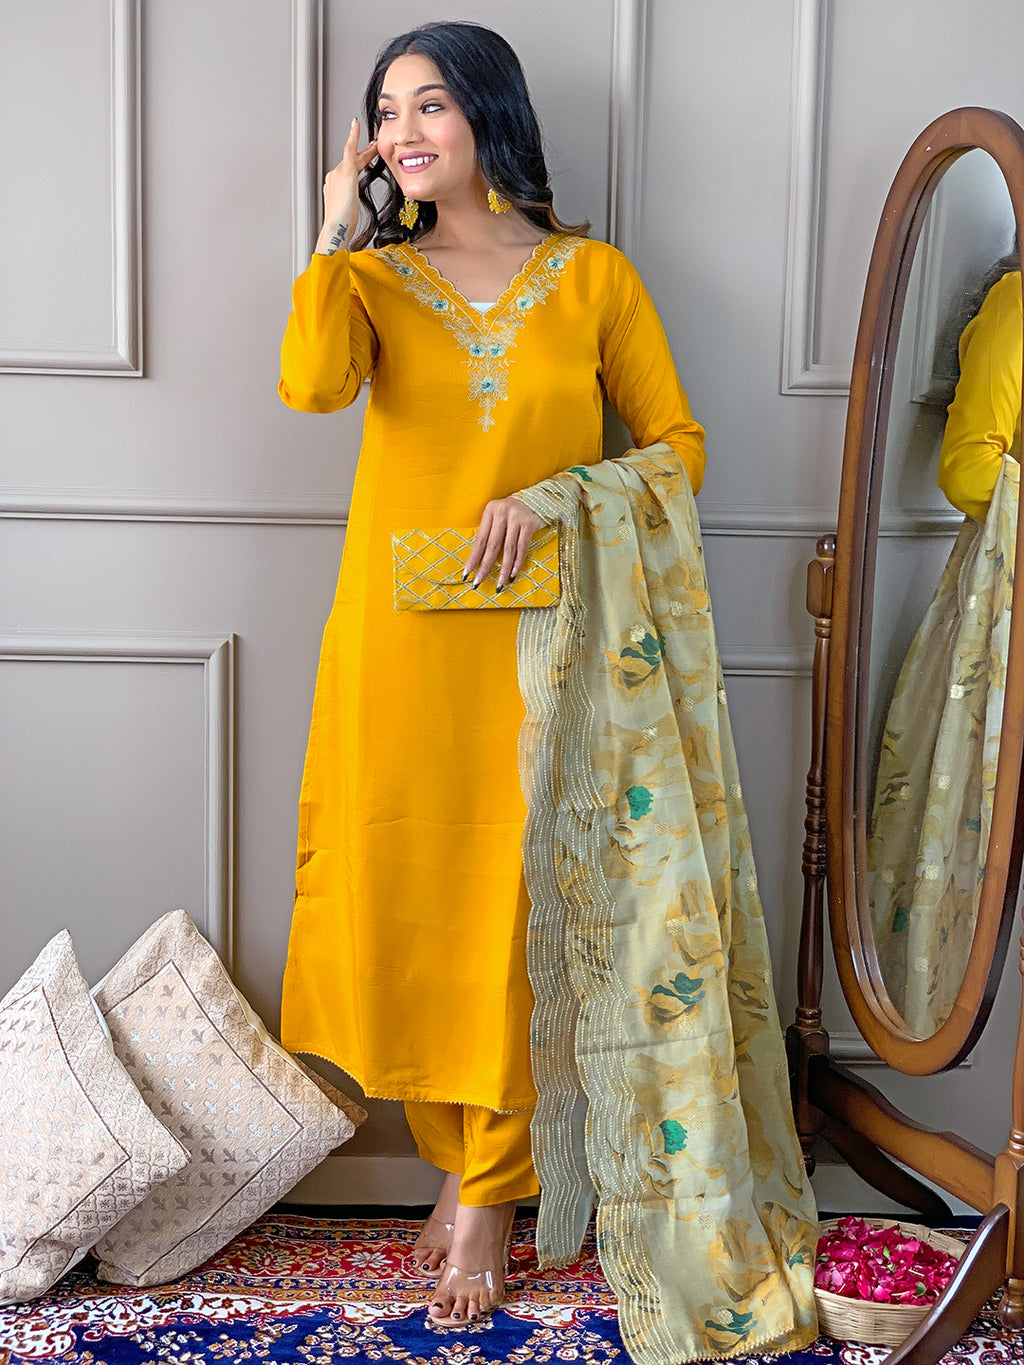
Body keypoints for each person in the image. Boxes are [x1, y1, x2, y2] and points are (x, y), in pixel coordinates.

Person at [278, 23, 817, 1360]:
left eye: (431, 103)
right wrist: (337, 226)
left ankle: (493, 1193)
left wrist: (560, 497)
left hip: (549, 655)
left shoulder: (592, 281)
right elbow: (308, 386)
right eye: (384, 111)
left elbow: (678, 449)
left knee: (516, 912)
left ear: (489, 116)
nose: (404, 127)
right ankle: (459, 1159)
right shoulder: (374, 279)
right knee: (414, 907)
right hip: (398, 649)